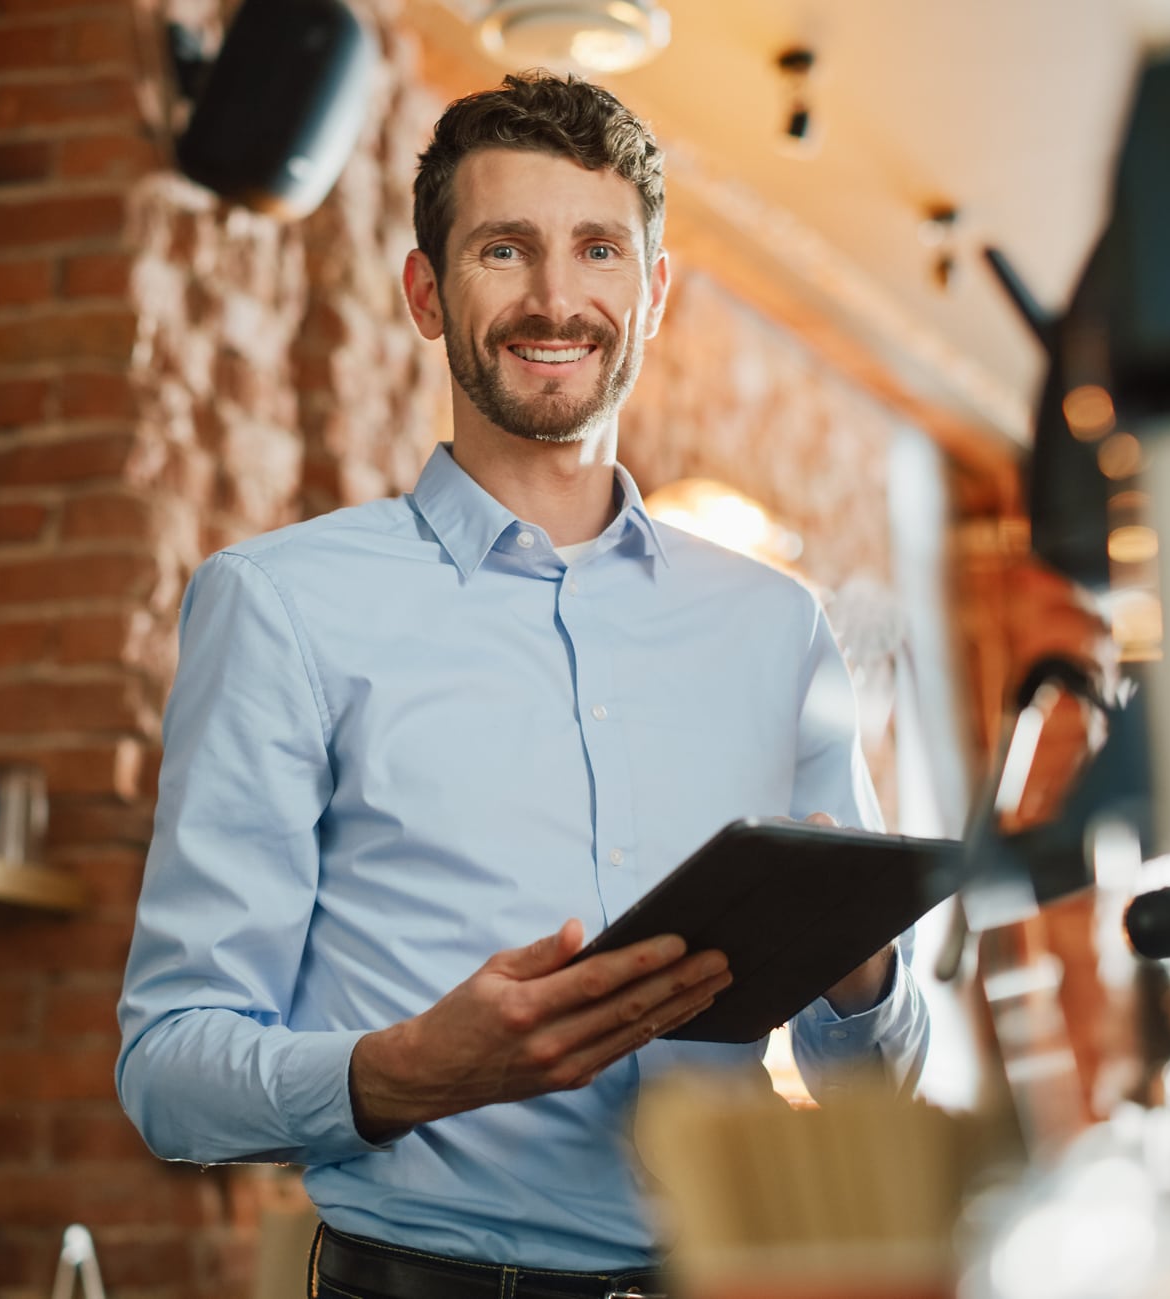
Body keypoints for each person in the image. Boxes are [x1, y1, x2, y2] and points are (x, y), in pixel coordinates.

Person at [117, 72, 930, 1297]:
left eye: (598, 249)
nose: (556, 299)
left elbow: (875, 1079)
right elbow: (168, 1074)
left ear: (649, 293)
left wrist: (857, 969)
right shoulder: (281, 606)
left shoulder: (776, 629)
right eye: (505, 249)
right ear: (426, 293)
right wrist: (406, 1070)